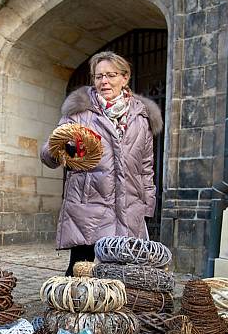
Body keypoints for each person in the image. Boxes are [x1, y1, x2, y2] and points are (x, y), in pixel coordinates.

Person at [40, 51, 163, 276]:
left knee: (122, 275)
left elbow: (146, 168)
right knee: (80, 272)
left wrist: (147, 207)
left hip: (128, 205)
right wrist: (63, 149)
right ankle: (74, 309)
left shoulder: (141, 117)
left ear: (125, 78)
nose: (104, 81)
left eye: (111, 75)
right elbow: (49, 153)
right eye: (98, 77)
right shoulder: (79, 112)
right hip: (88, 203)